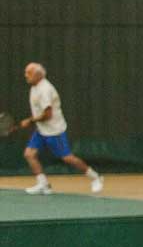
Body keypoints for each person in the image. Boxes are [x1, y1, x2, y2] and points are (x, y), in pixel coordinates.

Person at [18, 62, 103, 196]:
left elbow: (48, 115)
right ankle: (43, 184)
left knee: (68, 158)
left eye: (28, 73)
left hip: (54, 131)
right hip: (41, 130)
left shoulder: (45, 89)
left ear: (38, 75)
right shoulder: (34, 87)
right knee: (29, 154)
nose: (25, 76)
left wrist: (30, 121)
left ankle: (95, 177)